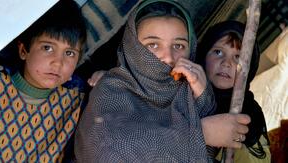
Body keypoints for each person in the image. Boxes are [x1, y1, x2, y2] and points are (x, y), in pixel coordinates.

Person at [74, 0, 220, 162]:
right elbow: (108, 151)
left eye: (178, 46)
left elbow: (209, 152)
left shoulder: (189, 90)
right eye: (153, 45)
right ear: (132, 46)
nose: (168, 58)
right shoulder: (110, 88)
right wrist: (200, 134)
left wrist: (203, 97)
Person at [0, 0, 87, 162]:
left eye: (69, 53)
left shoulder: (77, 102)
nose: (58, 63)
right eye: (47, 48)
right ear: (23, 50)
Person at [196, 20, 271, 162]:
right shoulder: (179, 92)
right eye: (218, 52)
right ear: (203, 55)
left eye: (238, 58)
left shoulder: (250, 117)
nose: (226, 63)